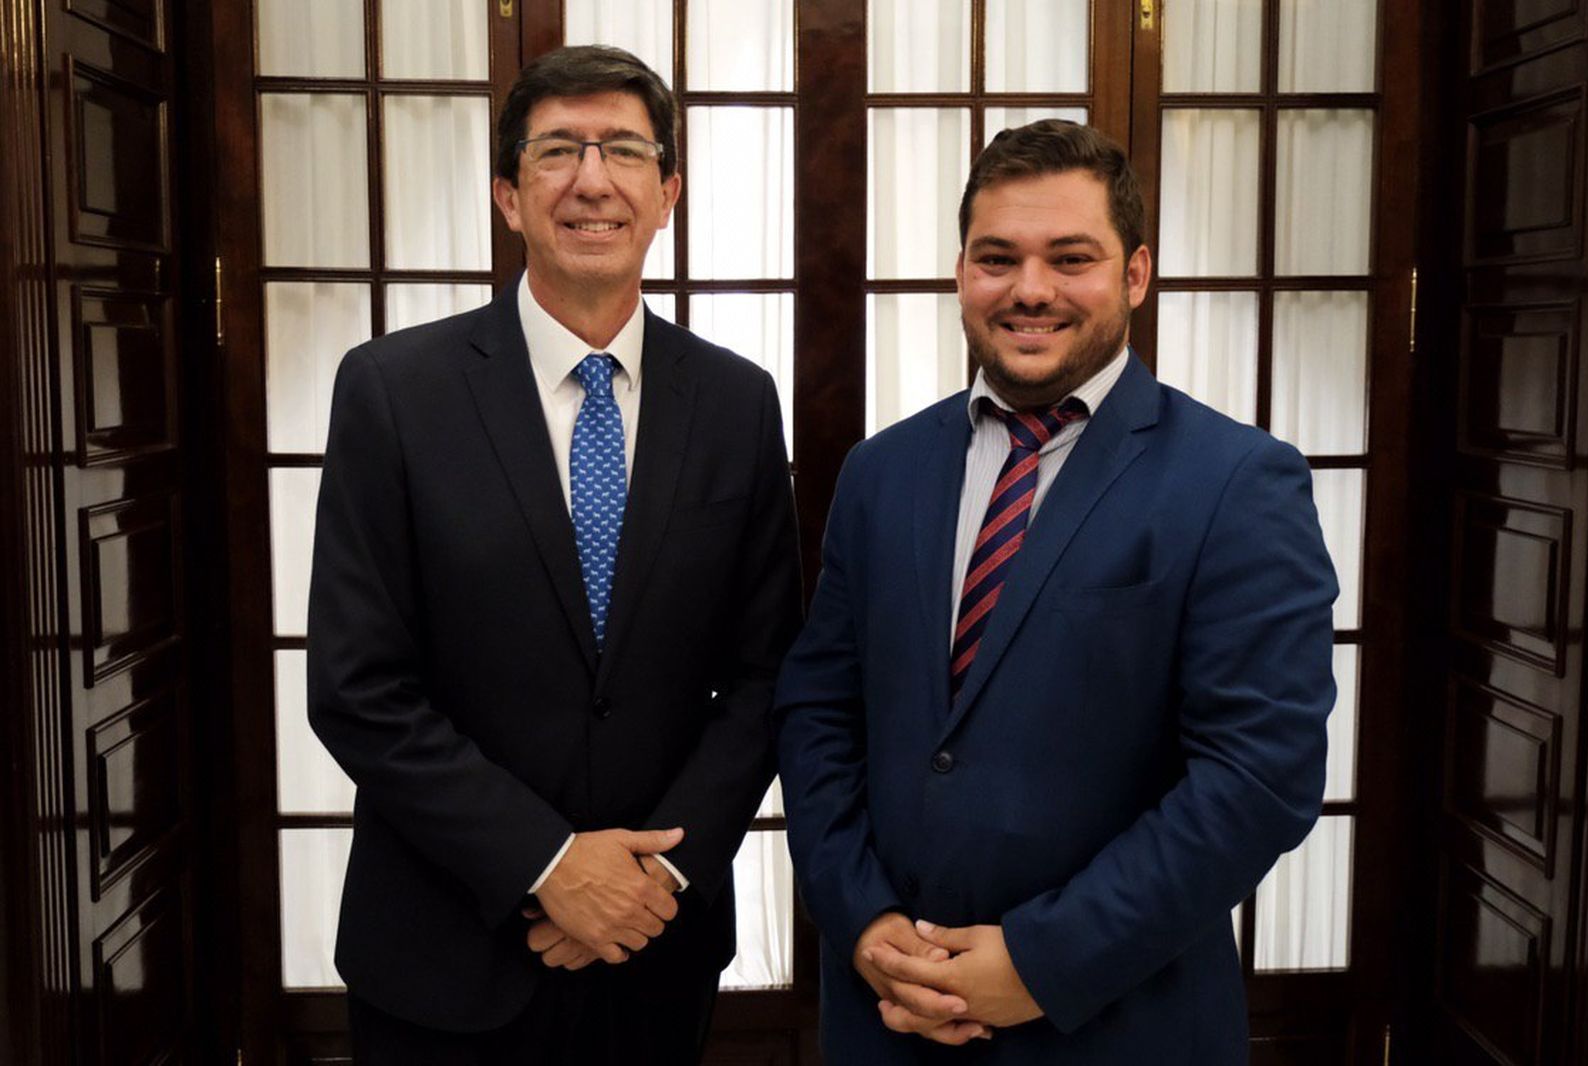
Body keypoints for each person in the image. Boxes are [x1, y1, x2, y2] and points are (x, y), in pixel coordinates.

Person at [774, 119, 1338, 1064]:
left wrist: (1039, 961)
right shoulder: (882, 471)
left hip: (1120, 1021)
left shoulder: (1238, 482)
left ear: (1135, 275)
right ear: (963, 273)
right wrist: (865, 922)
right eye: (999, 258)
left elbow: (1260, 778)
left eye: (1069, 258)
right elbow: (818, 710)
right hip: (888, 1017)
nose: (1030, 289)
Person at [307, 45, 802, 1064]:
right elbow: (357, 685)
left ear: (666, 193)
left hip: (654, 950)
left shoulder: (736, 402)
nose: (591, 178)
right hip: (443, 948)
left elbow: (767, 676)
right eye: (556, 152)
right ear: (508, 195)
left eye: (623, 149)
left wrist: (653, 880)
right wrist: (546, 863)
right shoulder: (394, 391)